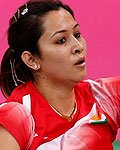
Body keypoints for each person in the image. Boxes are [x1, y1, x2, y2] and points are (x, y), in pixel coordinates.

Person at [0, 0, 120, 149]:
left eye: (77, 34)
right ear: (31, 59)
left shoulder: (104, 97)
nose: (78, 46)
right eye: (61, 40)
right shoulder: (16, 117)